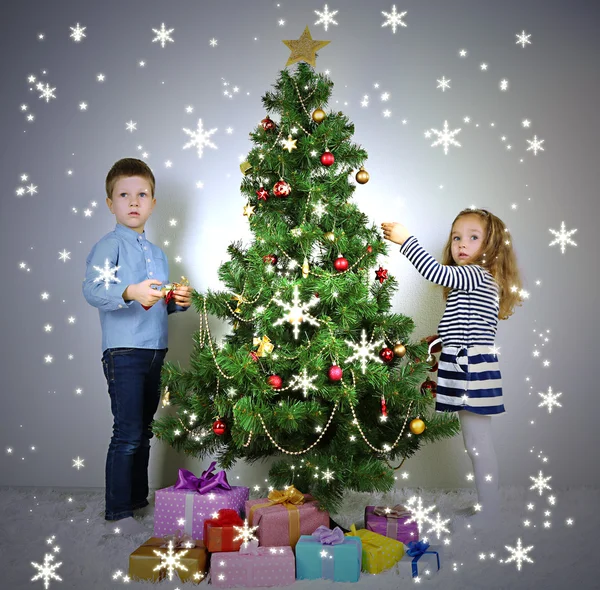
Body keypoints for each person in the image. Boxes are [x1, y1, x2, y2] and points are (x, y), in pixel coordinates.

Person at [381, 209, 524, 526]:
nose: (461, 244)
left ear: (492, 246)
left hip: (470, 368)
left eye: (473, 237)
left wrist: (406, 240)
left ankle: (491, 509)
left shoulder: (475, 274)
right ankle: (489, 505)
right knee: (476, 442)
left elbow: (434, 272)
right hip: (469, 364)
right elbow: (465, 327)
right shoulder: (478, 280)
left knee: (478, 443)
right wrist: (443, 340)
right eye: (457, 237)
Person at [82, 158, 193, 535]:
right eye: (124, 195)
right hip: (123, 352)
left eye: (141, 194)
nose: (133, 202)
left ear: (153, 203)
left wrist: (176, 301)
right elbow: (93, 291)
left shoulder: (158, 253)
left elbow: (157, 304)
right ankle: (117, 511)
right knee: (127, 432)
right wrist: (129, 291)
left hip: (154, 350)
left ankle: (136, 501)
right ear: (110, 203)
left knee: (143, 430)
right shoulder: (109, 246)